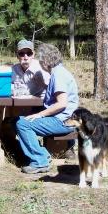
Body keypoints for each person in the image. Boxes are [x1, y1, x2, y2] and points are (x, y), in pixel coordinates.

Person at [15, 43, 79, 174]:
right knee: (16, 120)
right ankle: (38, 154)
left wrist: (40, 115)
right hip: (63, 118)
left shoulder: (59, 75)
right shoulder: (58, 71)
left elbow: (62, 104)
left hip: (63, 121)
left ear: (45, 61)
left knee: (23, 124)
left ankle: (40, 161)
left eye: (40, 59)